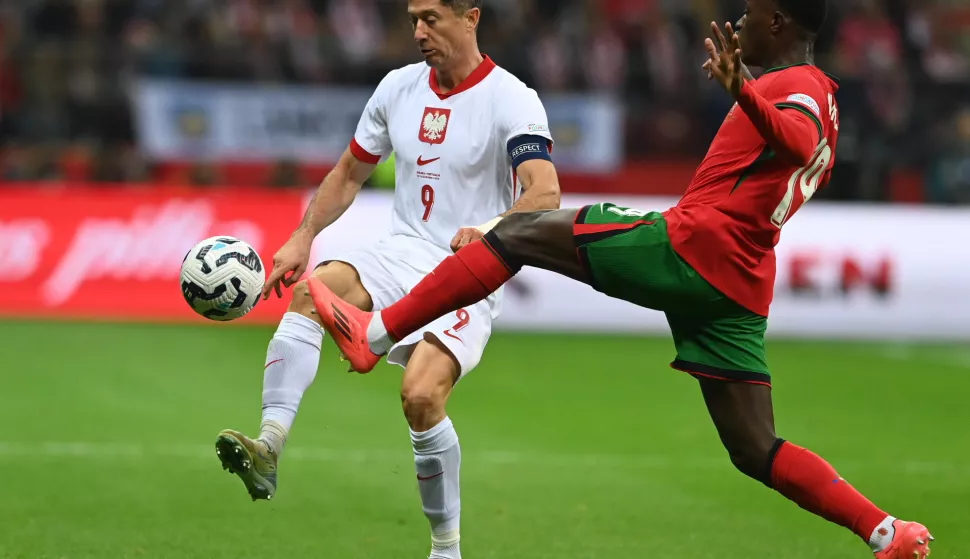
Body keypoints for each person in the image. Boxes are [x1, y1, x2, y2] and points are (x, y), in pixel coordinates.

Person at [307, 1, 933, 558]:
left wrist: (743, 88)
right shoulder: (827, 95)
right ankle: (886, 531)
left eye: (749, 13)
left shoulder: (791, 85)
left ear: (779, 22)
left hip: (693, 246)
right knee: (754, 447)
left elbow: (794, 140)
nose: (738, 22)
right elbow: (802, 147)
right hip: (739, 283)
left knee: (518, 231)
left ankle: (380, 333)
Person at [214, 2, 560, 558]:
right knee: (311, 292)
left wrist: (491, 229)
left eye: (431, 18)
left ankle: (446, 550)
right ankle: (269, 447)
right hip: (399, 251)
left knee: (421, 396)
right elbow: (351, 171)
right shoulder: (398, 87)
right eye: (412, 19)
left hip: (469, 269)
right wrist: (304, 235)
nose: (418, 32)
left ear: (470, 17)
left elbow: (543, 193)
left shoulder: (512, 99)